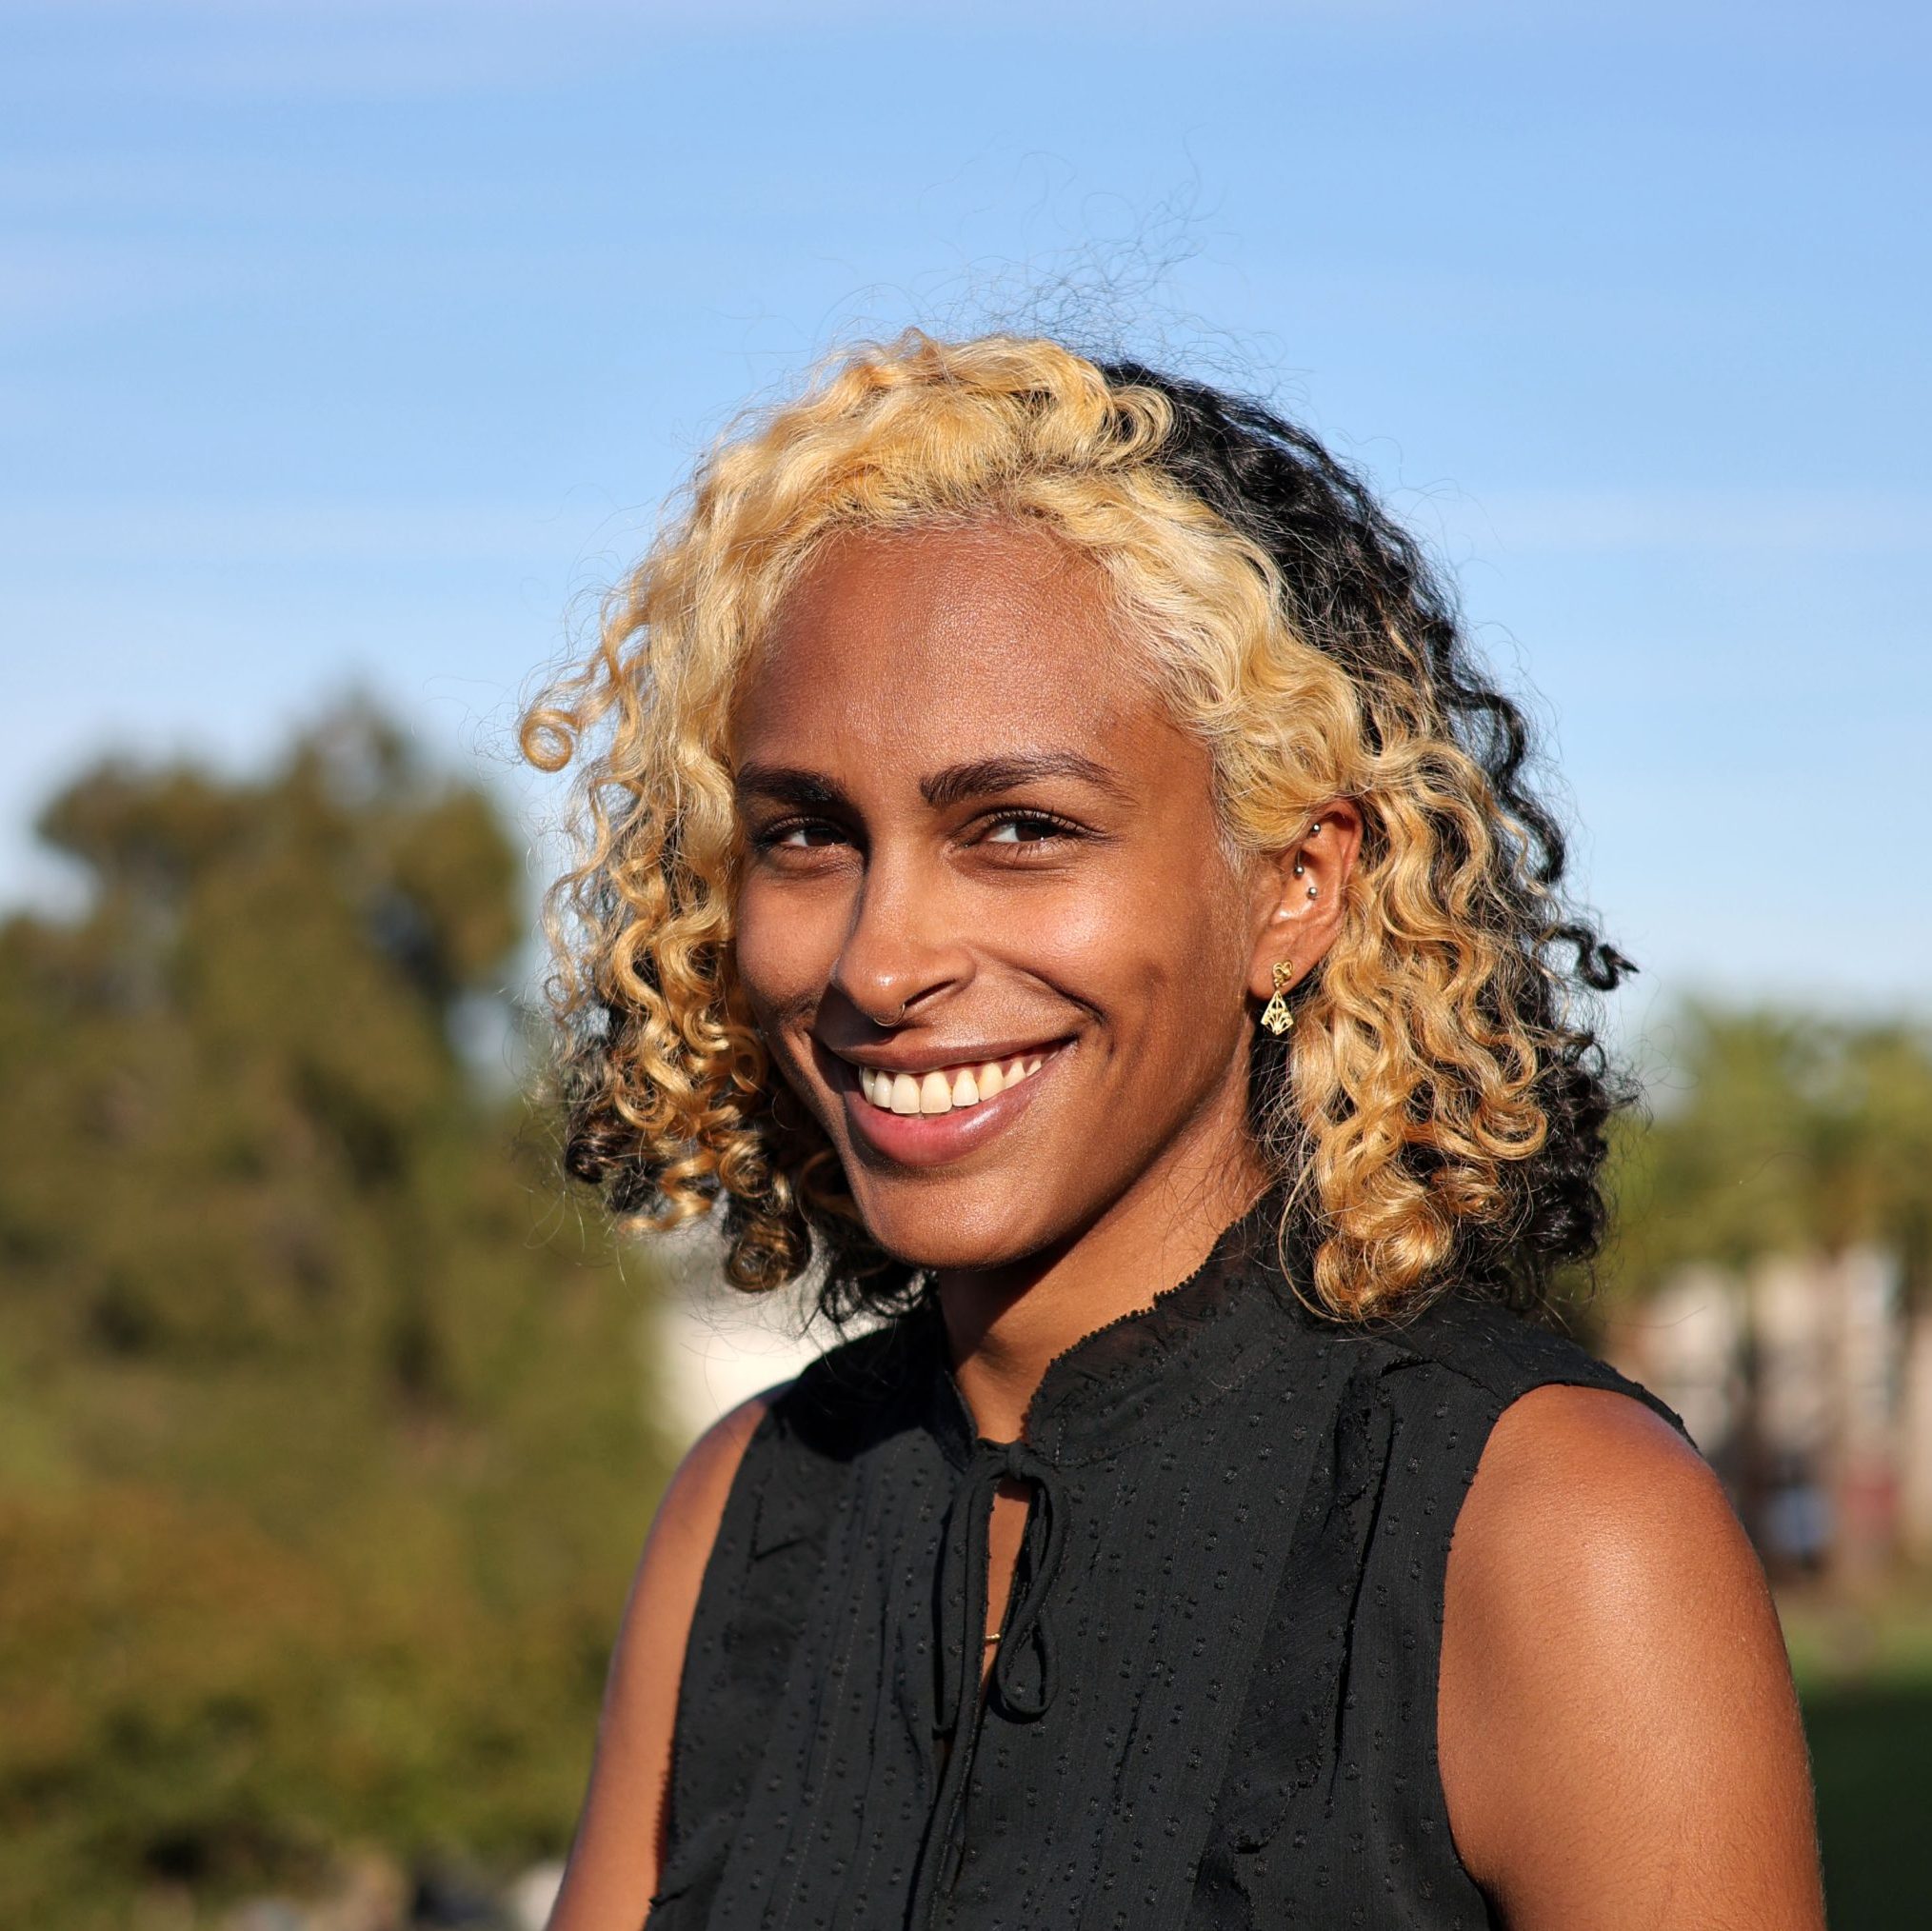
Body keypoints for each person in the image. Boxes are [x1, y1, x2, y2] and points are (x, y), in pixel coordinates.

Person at [524, 332, 1823, 1930]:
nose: (876, 960)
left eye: (1016, 829)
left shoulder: (1554, 1529)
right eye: (805, 834)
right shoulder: (747, 1511)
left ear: (1294, 887)